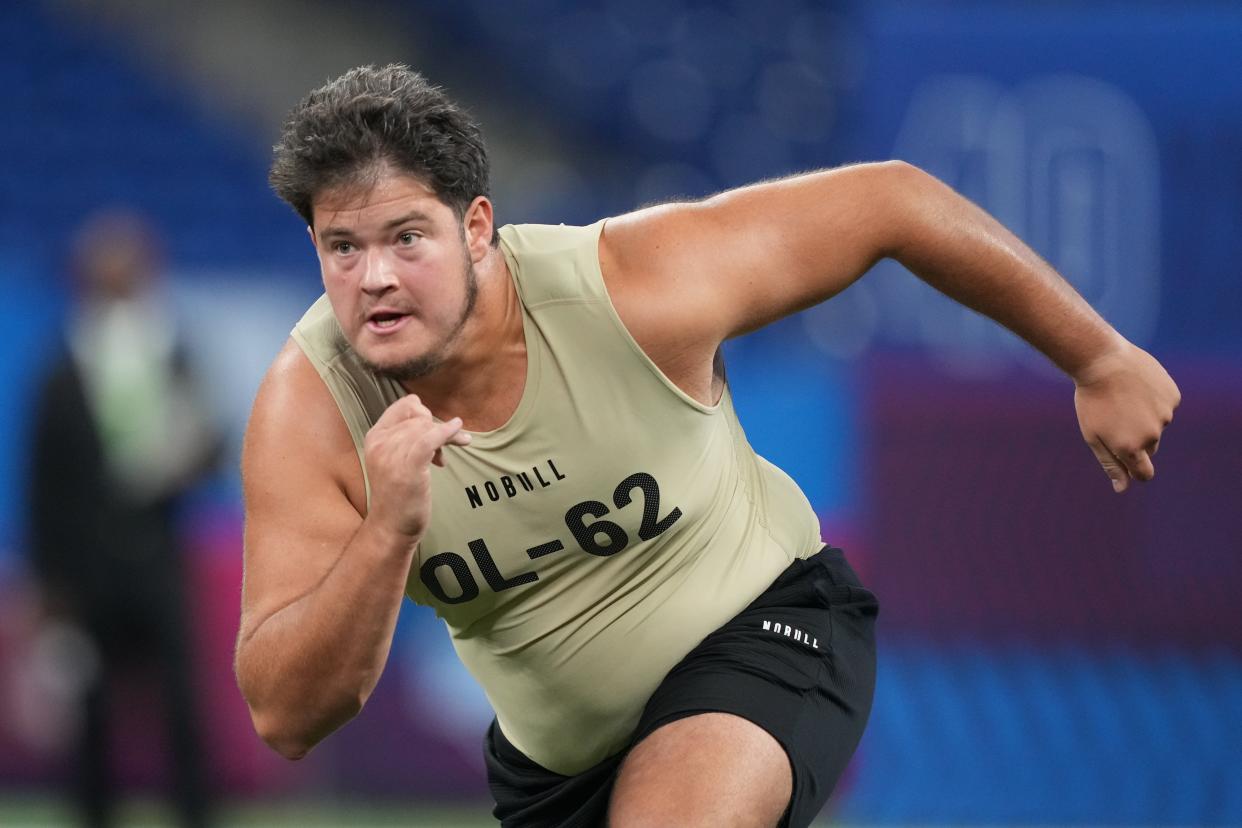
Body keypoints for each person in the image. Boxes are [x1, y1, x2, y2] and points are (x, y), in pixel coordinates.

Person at [235, 65, 1179, 828]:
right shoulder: (313, 408)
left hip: (765, 631)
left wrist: (1097, 356)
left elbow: (891, 201)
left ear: (477, 227)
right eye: (342, 248)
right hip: (552, 769)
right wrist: (387, 532)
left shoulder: (632, 288)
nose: (376, 280)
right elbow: (286, 714)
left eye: (407, 237)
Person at [28, 209, 221, 828]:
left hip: (157, 562)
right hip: (85, 575)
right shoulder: (62, 371)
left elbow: (211, 447)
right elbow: (44, 487)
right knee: (91, 717)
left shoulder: (171, 355)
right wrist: (51, 591)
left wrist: (184, 460)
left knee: (182, 708)